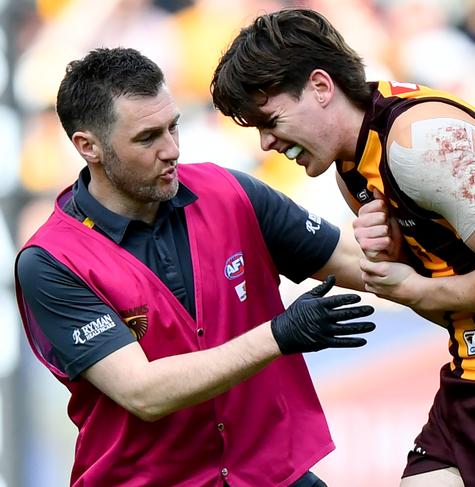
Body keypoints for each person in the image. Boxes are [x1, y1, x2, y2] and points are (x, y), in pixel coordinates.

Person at [210, 8, 475, 487]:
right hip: (471, 380)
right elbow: (455, 302)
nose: (265, 143)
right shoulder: (353, 165)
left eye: (271, 119)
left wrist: (415, 290)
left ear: (321, 87)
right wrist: (399, 264)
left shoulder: (419, 146)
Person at [14, 47, 377, 487]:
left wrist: (409, 224)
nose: (171, 150)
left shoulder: (231, 191)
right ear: (88, 146)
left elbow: (364, 265)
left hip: (270, 475)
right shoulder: (50, 261)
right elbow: (142, 392)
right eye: (148, 138)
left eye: (173, 127)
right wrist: (279, 334)